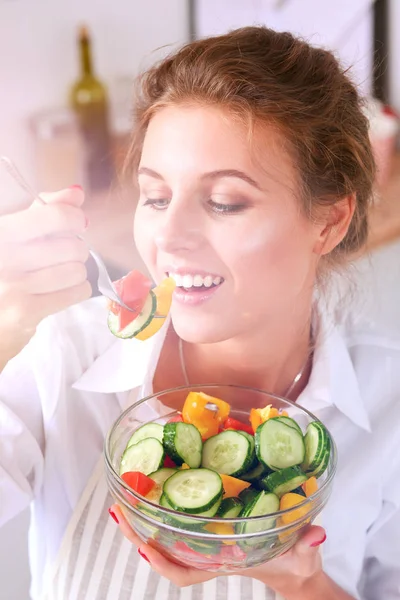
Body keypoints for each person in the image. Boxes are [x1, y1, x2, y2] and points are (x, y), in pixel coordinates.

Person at [0, 25, 399, 600]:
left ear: (330, 221)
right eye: (156, 197)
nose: (170, 237)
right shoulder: (68, 355)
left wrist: (305, 583)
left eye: (224, 202)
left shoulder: (390, 401)